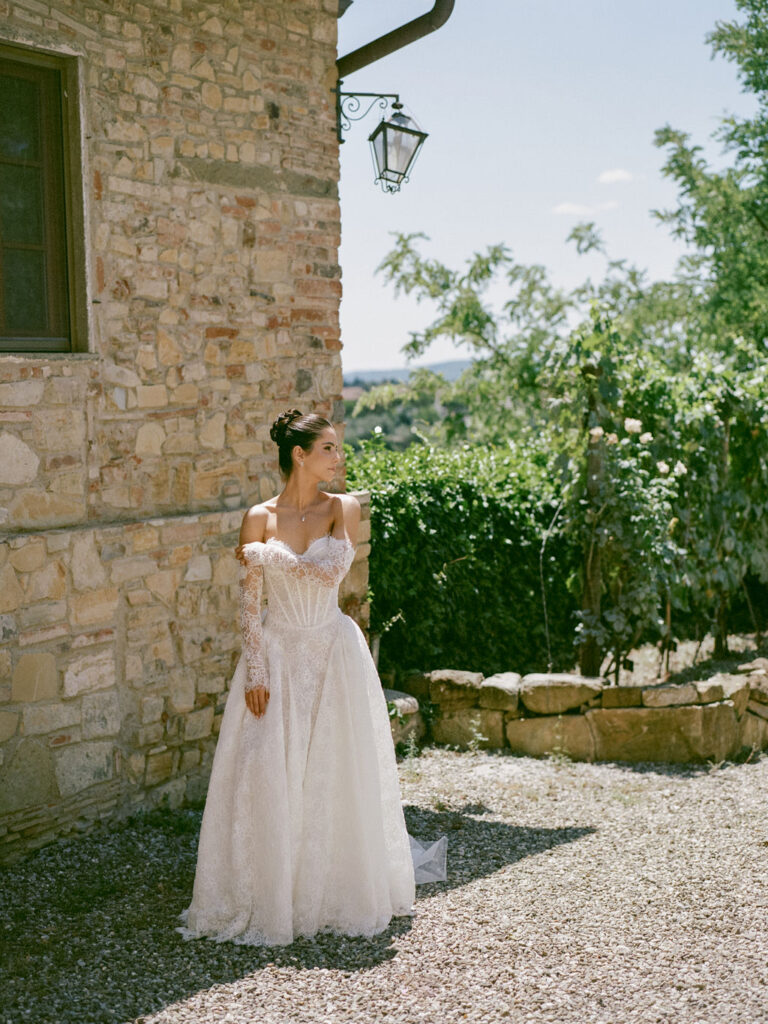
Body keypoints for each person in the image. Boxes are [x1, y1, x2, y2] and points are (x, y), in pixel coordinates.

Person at [179, 409, 446, 947]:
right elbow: (249, 607)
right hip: (276, 652)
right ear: (299, 455)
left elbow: (330, 573)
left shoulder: (341, 508)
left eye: (337, 447)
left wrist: (266, 556)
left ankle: (332, 888)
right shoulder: (258, 517)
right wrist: (256, 669)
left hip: (331, 648)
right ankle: (269, 890)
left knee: (333, 768)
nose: (338, 456)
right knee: (267, 770)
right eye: (328, 448)